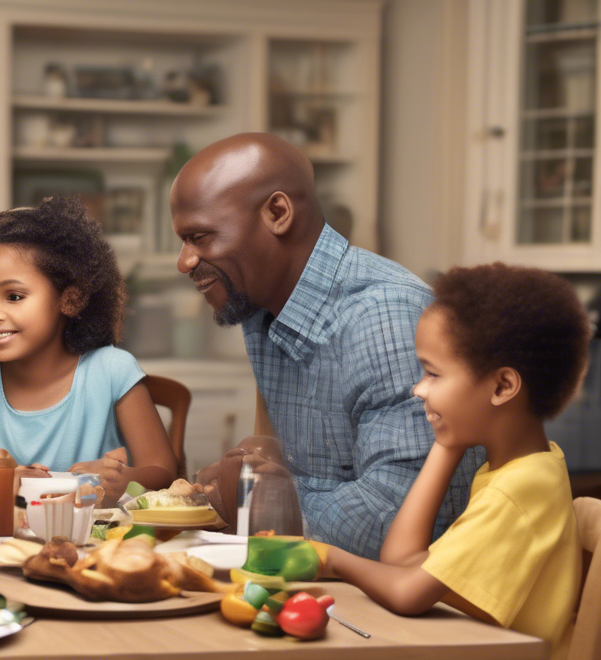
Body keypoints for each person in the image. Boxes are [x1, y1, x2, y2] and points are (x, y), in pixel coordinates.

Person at [191, 263, 591, 660]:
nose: (417, 390)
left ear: (502, 385)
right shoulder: (519, 469)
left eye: (433, 374)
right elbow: (402, 557)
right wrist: (445, 447)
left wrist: (327, 557)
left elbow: (410, 591)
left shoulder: (520, 490)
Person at [170, 132, 480, 560]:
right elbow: (289, 467)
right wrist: (260, 471)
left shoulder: (386, 319)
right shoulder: (261, 304)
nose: (184, 261)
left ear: (278, 213)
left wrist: (251, 497)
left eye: (200, 237)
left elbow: (399, 523)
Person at [0, 196, 179, 503]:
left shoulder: (112, 371)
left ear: (70, 300)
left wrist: (124, 478)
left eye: (13, 296)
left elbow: (163, 471)